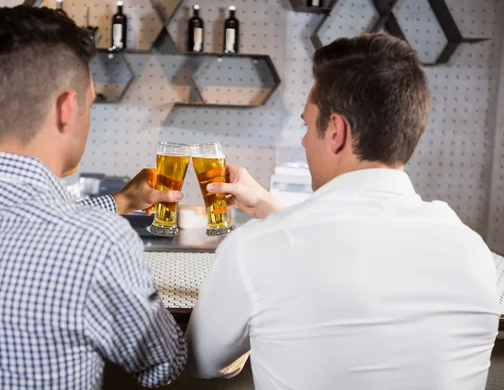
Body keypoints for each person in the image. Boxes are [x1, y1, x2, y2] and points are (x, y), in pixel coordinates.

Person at [186, 33, 500, 389]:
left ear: (336, 131)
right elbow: (364, 244)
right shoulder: (474, 253)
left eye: (307, 125)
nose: (304, 141)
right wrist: (272, 211)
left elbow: (201, 360)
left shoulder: (254, 250)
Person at [0, 6, 187, 389]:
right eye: (90, 102)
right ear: (67, 109)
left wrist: (120, 201)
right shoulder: (99, 245)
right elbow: (163, 365)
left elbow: (17, 222)